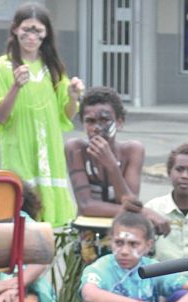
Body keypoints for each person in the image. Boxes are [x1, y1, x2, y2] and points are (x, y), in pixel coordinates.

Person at [0, 2, 82, 226]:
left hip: (50, 150)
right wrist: (15, 86)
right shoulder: (1, 66)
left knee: (53, 218)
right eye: (26, 29)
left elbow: (66, 115)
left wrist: (74, 96)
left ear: (46, 34)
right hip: (19, 148)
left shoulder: (53, 68)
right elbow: (0, 117)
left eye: (38, 30)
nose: (31, 36)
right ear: (15, 29)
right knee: (23, 208)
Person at [64, 86, 150, 223]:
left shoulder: (132, 150)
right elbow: (86, 206)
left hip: (120, 230)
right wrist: (144, 213)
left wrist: (111, 165)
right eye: (90, 121)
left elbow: (129, 201)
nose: (96, 128)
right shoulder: (76, 149)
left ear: (119, 122)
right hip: (87, 234)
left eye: (104, 120)